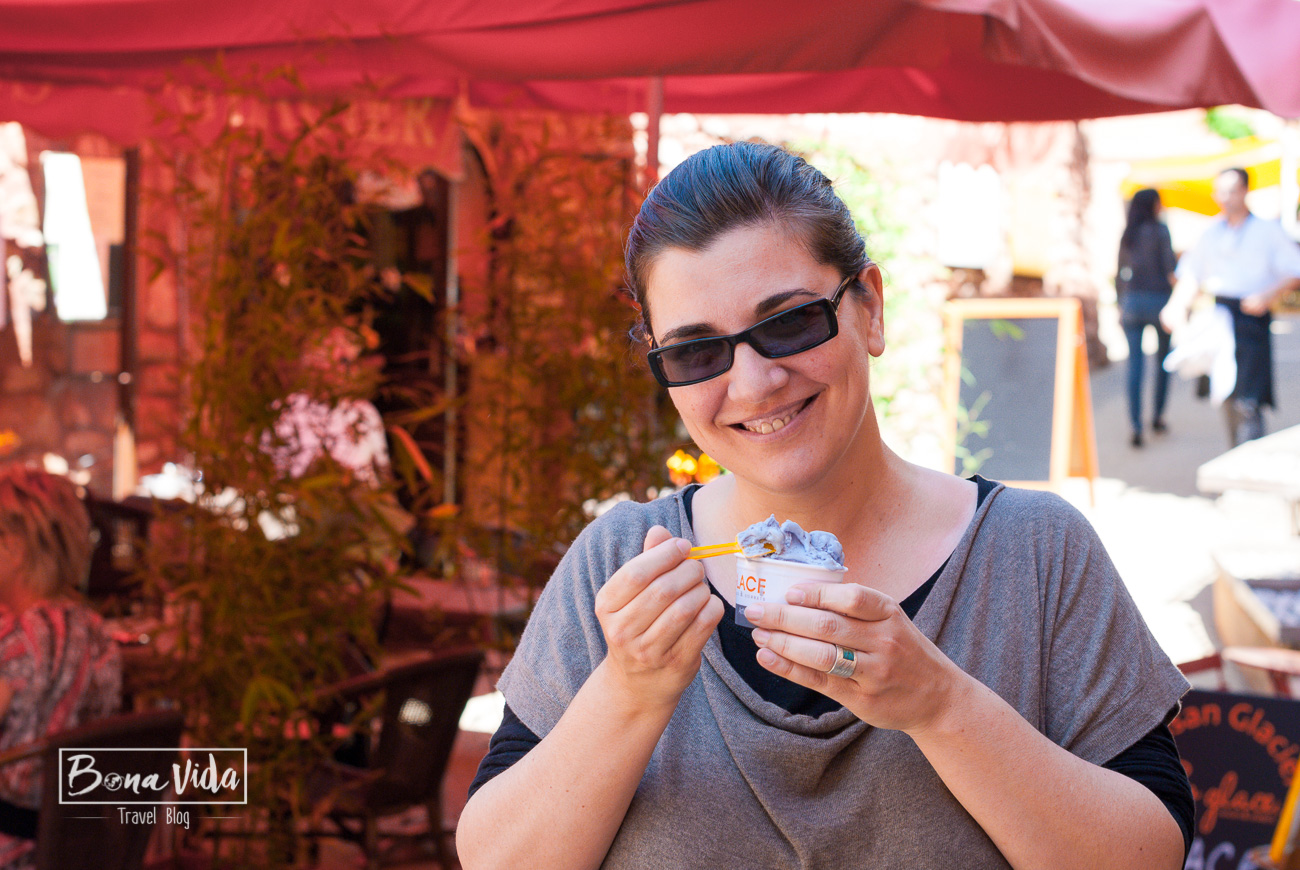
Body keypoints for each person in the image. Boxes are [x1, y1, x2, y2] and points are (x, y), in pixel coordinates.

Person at [457, 142, 1191, 869]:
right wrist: (628, 692)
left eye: (789, 322)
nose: (754, 384)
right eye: (695, 352)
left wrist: (939, 704)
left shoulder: (1034, 554)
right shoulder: (621, 565)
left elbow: (1148, 856)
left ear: (870, 308)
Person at [0, 465, 121, 869]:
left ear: (13, 549)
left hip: (15, 847)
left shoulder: (18, 639)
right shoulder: (99, 634)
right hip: (77, 848)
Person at [1162, 167, 1300, 446]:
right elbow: (1192, 274)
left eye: (1232, 191)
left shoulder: (1267, 231)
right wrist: (1175, 305)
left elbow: (1294, 269)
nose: (1226, 198)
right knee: (1226, 392)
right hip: (1220, 316)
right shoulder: (1211, 233)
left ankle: (1250, 456)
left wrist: (1267, 295)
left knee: (1250, 400)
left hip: (1251, 318)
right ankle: (1236, 450)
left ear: (1245, 191)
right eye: (1221, 192)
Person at [1116, 188, 1177, 447]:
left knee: (1135, 365)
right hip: (1159, 302)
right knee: (1162, 362)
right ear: (1153, 205)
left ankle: (1135, 425)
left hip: (1132, 303)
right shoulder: (1160, 231)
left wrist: (1121, 304)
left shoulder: (1128, 234)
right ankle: (1157, 417)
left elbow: (1119, 273)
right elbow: (1171, 269)